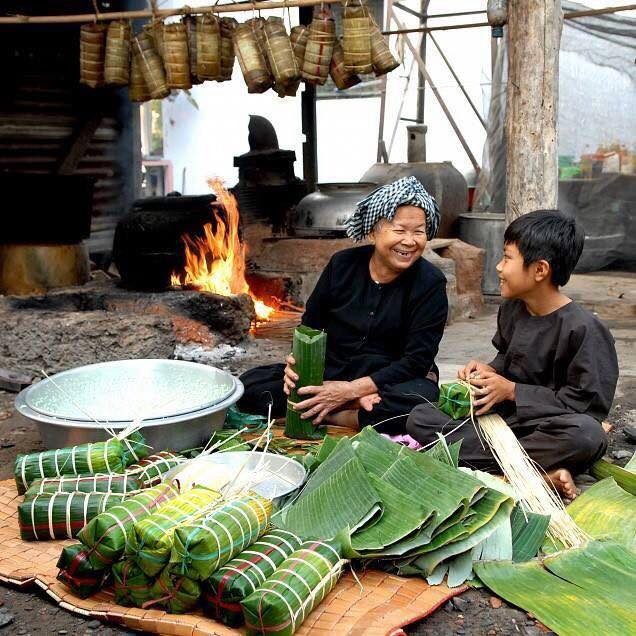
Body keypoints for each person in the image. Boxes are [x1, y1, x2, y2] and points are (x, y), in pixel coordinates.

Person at [406, 210, 618, 498]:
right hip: (507, 425)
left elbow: (587, 407)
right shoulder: (512, 308)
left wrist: (513, 391)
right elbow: (506, 359)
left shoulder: (584, 329)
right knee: (419, 417)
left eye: (507, 258)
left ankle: (508, 472)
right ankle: (535, 473)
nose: (498, 267)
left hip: (550, 427)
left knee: (586, 435)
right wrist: (488, 372)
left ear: (540, 270)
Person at [238, 176, 448, 432]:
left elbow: (416, 361)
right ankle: (351, 409)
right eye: (399, 230)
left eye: (419, 232)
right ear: (373, 231)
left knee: (419, 402)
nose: (409, 241)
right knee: (248, 387)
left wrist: (350, 391)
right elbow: (310, 328)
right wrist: (297, 367)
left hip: (386, 381)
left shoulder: (430, 283)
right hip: (331, 371)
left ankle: (341, 416)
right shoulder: (342, 265)